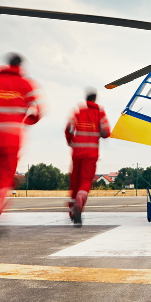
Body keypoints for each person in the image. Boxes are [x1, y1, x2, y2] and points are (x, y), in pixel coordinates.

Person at [0, 53, 41, 246]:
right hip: (13, 139)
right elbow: (37, 112)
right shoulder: (26, 85)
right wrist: (23, 123)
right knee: (5, 180)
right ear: (20, 66)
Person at [64, 88, 111, 226]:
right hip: (91, 154)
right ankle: (79, 204)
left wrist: (70, 141)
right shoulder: (99, 113)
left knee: (75, 182)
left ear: (86, 99)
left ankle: (72, 211)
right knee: (85, 181)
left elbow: (69, 128)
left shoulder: (78, 112)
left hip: (77, 152)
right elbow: (106, 132)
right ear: (95, 99)